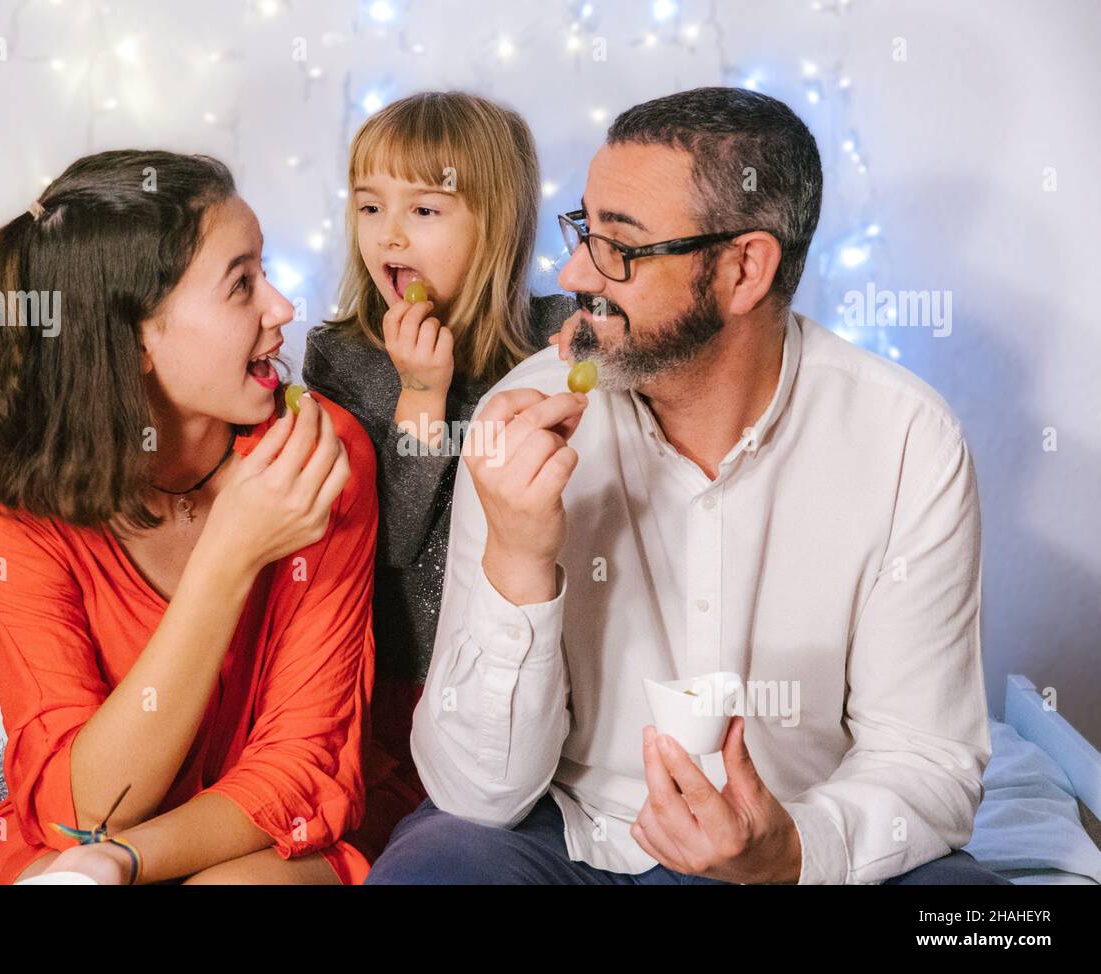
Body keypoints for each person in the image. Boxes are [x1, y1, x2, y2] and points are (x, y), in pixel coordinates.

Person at [366, 87, 1010, 885]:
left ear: (745, 269)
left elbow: (925, 757)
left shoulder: (908, 439)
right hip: (569, 836)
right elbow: (478, 791)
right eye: (583, 230)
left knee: (986, 923)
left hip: (802, 836)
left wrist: (792, 849)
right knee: (433, 869)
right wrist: (520, 560)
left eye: (618, 246)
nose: (572, 272)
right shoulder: (520, 418)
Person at [0, 150, 378, 885]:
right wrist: (227, 560)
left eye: (264, 271)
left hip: (258, 842)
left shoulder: (320, 459)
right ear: (135, 341)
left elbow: (301, 767)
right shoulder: (4, 499)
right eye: (242, 285)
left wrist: (121, 861)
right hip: (72, 844)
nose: (282, 307)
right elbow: (77, 810)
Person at [301, 91, 575, 861]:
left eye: (424, 211)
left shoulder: (560, 342)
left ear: (497, 223)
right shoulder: (343, 356)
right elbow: (376, 546)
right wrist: (421, 394)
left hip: (531, 681)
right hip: (397, 681)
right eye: (368, 207)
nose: (388, 234)